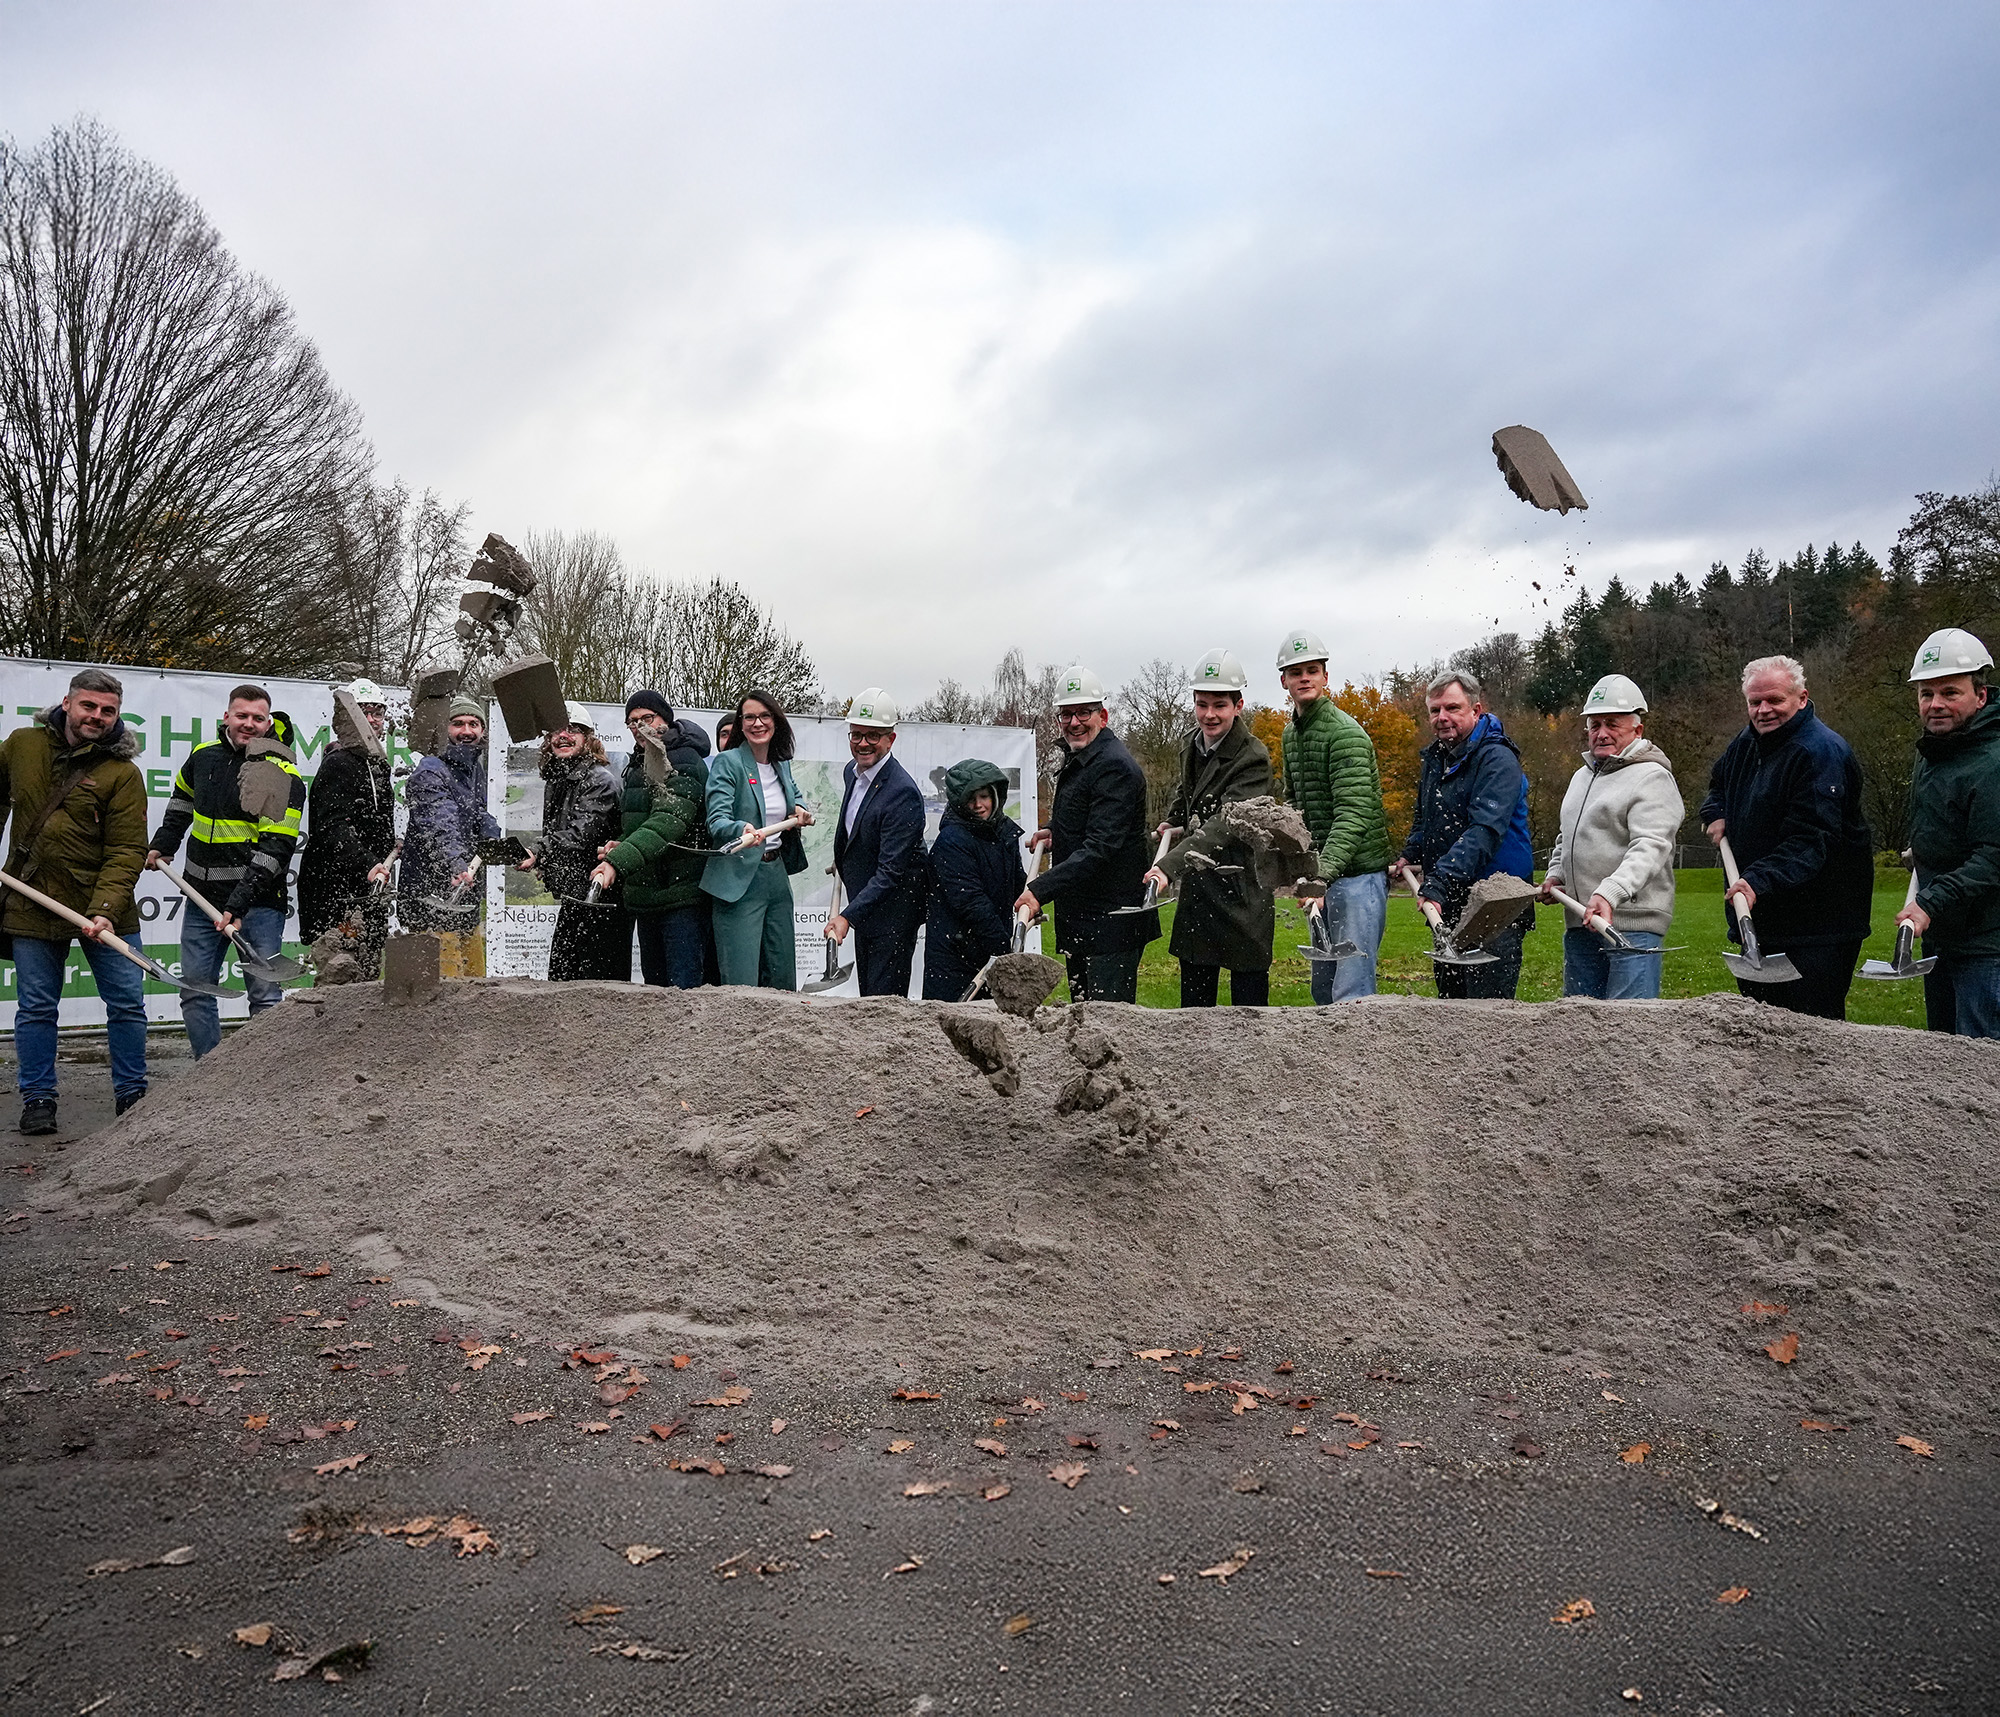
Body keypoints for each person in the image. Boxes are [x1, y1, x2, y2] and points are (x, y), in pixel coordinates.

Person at [1, 669, 149, 1133]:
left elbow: (127, 850)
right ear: (68, 703)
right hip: (32, 899)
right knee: (37, 1007)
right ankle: (38, 1099)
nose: (97, 717)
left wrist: (103, 910)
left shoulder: (122, 773)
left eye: (108, 711)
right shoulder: (22, 745)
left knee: (126, 1003)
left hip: (104, 908)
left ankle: (133, 1096)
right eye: (89, 706)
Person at [1700, 654, 1873, 1020]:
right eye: (1755, 702)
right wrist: (1715, 812)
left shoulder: (1820, 753)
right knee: (1761, 1036)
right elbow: (1719, 783)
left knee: (1813, 1039)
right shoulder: (1747, 742)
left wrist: (1757, 880)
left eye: (1775, 700)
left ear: (1802, 698)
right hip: (1762, 920)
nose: (1764, 710)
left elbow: (1811, 841)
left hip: (1818, 928)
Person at [147, 683, 306, 1055]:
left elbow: (276, 849)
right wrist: (163, 844)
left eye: (257, 718)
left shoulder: (282, 773)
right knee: (195, 990)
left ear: (268, 723)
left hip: (258, 903)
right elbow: (181, 802)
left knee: (265, 995)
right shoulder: (203, 756)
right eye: (242, 716)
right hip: (201, 899)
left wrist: (238, 904)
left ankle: (266, 1078)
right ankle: (208, 1074)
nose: (248, 724)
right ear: (226, 717)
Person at [1016, 667, 1158, 1003]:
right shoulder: (1081, 758)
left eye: (1084, 713)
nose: (1074, 722)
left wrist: (1038, 890)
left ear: (1103, 716)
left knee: (1107, 1024)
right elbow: (1086, 821)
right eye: (1067, 714)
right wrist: (1056, 833)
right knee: (1082, 1016)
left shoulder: (1114, 767)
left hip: (1110, 923)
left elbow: (1100, 847)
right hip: (1082, 918)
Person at [1390, 669, 1534, 1000]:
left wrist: (1437, 883)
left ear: (1476, 710)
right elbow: (1426, 816)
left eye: (1452, 708)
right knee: (1451, 1007)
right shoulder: (1437, 758)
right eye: (1435, 710)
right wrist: (1411, 852)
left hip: (1496, 906)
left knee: (1487, 1014)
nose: (1442, 717)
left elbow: (1484, 831)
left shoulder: (1497, 758)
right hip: (1452, 899)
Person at [1540, 674, 1684, 1000]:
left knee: (1630, 1030)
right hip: (1581, 921)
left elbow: (1651, 846)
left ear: (1637, 730)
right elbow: (1568, 835)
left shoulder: (1652, 777)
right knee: (1580, 1026)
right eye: (1594, 725)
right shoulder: (1582, 776)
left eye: (1612, 724)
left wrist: (1610, 893)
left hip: (1631, 926)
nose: (1601, 733)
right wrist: (1556, 874)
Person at [1145, 650, 1275, 1008]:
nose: (1209, 715)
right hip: (1200, 895)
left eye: (1219, 705)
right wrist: (1173, 818)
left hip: (1241, 891)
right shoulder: (1190, 743)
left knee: (1248, 1014)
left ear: (1238, 705)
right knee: (1193, 1015)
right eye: (1202, 705)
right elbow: (1189, 793)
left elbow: (1226, 823)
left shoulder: (1253, 757)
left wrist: (1169, 866)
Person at [1274, 629, 1392, 1000]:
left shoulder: (1345, 734)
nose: (1304, 678)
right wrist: (1299, 867)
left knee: (1351, 988)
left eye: (1312, 669)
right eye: (1296, 672)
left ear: (1326, 676)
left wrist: (1321, 876)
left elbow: (1353, 814)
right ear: (1284, 681)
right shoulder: (1291, 736)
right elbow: (1294, 807)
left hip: (1357, 877)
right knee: (1323, 987)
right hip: (1321, 876)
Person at [1900, 628, 2000, 1037]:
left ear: (1981, 695)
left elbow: (1993, 857)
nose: (1936, 704)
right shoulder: (1938, 753)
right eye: (1927, 694)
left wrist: (1929, 903)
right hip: (1944, 938)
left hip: (1987, 947)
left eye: (1950, 692)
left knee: (1981, 1072)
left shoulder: (1992, 761)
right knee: (1945, 1068)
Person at [591, 690, 712, 990]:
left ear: (665, 721)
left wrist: (617, 862)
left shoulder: (684, 758)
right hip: (645, 897)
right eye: (632, 722)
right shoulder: (637, 765)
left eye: (648, 718)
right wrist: (621, 844)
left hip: (681, 898)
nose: (639, 726)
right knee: (654, 995)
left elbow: (667, 822)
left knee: (683, 996)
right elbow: (640, 824)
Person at [703, 690, 813, 988]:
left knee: (781, 975)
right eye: (749, 717)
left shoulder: (781, 764)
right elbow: (717, 820)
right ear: (741, 724)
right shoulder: (729, 763)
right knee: (741, 981)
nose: (757, 723)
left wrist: (799, 808)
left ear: (776, 722)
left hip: (776, 878)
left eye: (764, 716)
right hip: (739, 880)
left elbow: (793, 795)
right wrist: (741, 829)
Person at [828, 689, 929, 997]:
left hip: (895, 912)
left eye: (873, 735)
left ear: (890, 739)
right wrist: (844, 860)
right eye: (856, 735)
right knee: (867, 996)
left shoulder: (902, 793)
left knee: (884, 1000)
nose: (863, 743)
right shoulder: (852, 773)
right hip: (867, 903)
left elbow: (890, 872)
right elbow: (857, 830)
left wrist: (846, 916)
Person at [298, 677, 396, 977]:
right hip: (336, 895)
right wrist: (367, 864)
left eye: (376, 712)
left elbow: (373, 823)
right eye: (361, 712)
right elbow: (332, 828)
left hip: (369, 893)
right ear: (343, 720)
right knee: (339, 979)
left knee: (367, 979)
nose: (370, 719)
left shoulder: (379, 765)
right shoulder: (338, 763)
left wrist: (392, 844)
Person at [524, 703, 626, 981]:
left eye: (573, 730)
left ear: (588, 739)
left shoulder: (599, 780)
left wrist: (539, 850)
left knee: (595, 985)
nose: (563, 736)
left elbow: (582, 835)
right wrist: (546, 859)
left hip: (601, 899)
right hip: (578, 896)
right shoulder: (559, 779)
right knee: (562, 979)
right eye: (556, 731)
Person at [399, 696, 500, 978]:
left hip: (463, 900)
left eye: (473, 724)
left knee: (475, 984)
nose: (466, 731)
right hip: (430, 900)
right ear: (443, 730)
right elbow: (439, 823)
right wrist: (457, 864)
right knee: (442, 992)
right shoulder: (430, 770)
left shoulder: (473, 768)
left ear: (482, 730)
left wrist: (493, 834)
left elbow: (475, 812)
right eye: (457, 723)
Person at [922, 759, 1026, 1001]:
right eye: (971, 799)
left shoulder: (1004, 832)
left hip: (989, 948)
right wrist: (1003, 951)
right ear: (959, 803)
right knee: (950, 1024)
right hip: (956, 955)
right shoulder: (951, 841)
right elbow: (971, 903)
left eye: (984, 796)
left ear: (995, 796)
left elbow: (1016, 882)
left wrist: (1031, 898)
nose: (979, 805)